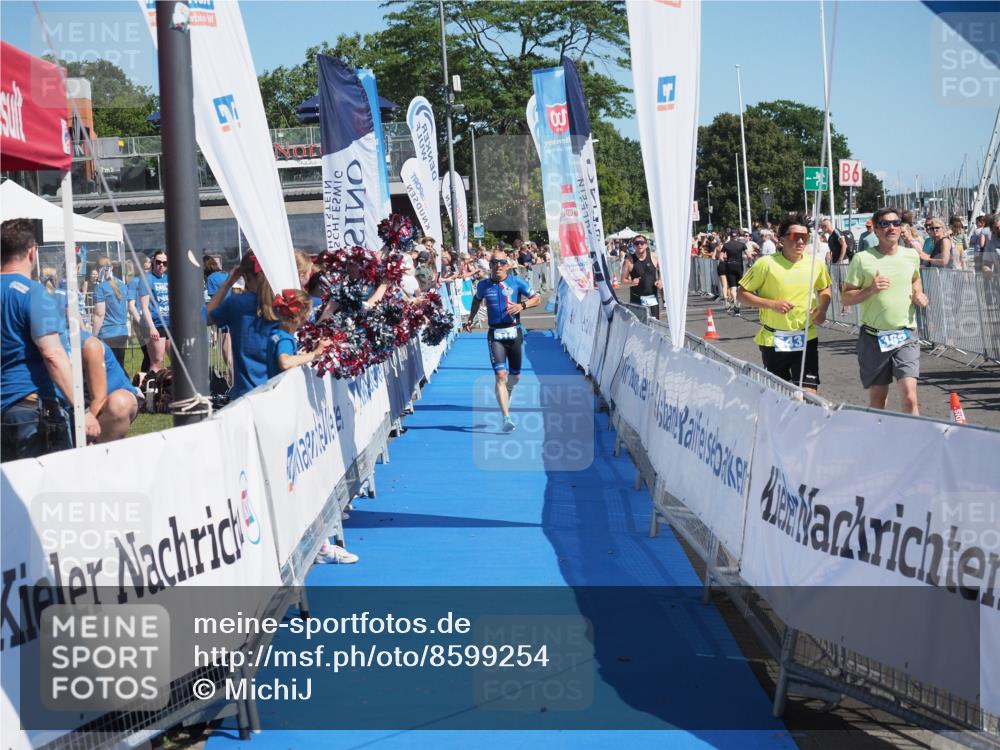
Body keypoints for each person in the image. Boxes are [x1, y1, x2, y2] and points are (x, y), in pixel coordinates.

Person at [2, 218, 100, 459]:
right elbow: (53, 355)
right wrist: (82, 410)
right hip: (29, 409)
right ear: (32, 252)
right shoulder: (34, 294)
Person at [841, 207, 929, 415]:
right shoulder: (862, 259)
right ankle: (879, 442)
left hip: (906, 335)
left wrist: (919, 294)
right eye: (885, 224)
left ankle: (913, 443)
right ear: (876, 230)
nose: (892, 228)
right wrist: (871, 289)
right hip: (874, 338)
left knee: (909, 398)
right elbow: (846, 297)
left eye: (896, 223)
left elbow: (915, 279)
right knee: (878, 401)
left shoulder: (910, 256)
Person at [736, 213, 832, 393]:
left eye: (805, 237)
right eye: (796, 237)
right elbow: (741, 294)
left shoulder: (816, 265)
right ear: (781, 240)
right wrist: (772, 304)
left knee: (808, 396)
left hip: (806, 337)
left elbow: (825, 289)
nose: (801, 242)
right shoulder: (765, 264)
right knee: (780, 396)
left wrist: (823, 309)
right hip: (774, 339)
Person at [463, 250, 541, 433]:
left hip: (514, 333)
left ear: (507, 265)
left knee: (515, 377)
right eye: (494, 263)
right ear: (489, 265)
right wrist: (471, 319)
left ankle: (508, 390)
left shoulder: (516, 282)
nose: (497, 266)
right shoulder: (483, 285)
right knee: (500, 375)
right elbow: (476, 301)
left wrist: (522, 305)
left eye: (501, 262)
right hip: (495, 335)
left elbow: (536, 298)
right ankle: (506, 417)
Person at [206, 252, 279, 402]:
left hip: (246, 394)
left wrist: (228, 283)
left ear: (244, 276)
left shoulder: (237, 304)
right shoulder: (283, 304)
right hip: (278, 389)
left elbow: (207, 317)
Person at [267, 290, 332, 379]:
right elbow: (285, 363)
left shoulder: (276, 332)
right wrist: (315, 353)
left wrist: (301, 356)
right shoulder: (285, 339)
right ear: (304, 316)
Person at [90, 256, 129, 367]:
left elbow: (99, 314)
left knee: (107, 367)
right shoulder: (122, 285)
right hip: (122, 332)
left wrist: (94, 336)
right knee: (119, 366)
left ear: (98, 269)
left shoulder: (100, 288)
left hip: (107, 332)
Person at [141, 249, 171, 376]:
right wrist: (152, 328)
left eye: (165, 263)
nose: (161, 265)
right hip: (156, 324)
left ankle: (167, 387)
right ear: (153, 261)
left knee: (178, 360)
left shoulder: (169, 279)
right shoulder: (147, 279)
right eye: (159, 262)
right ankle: (151, 392)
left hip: (170, 324)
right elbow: (144, 306)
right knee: (157, 360)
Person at [621, 234, 662, 318]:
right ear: (633, 246)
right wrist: (631, 282)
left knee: (655, 324)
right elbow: (623, 280)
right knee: (638, 326)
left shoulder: (654, 257)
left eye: (642, 243)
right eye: (636, 243)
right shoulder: (629, 261)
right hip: (637, 299)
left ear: (646, 245)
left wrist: (661, 280)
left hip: (652, 298)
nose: (639, 245)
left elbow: (662, 270)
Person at [716, 230, 746, 312]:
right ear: (737, 236)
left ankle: (735, 300)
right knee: (739, 285)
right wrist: (749, 261)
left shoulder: (726, 245)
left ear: (730, 236)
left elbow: (721, 257)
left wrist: (725, 260)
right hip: (739, 265)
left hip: (730, 265)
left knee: (732, 286)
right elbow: (748, 255)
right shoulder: (742, 244)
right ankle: (738, 301)